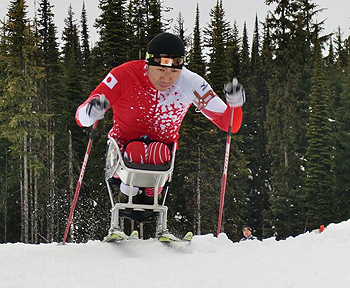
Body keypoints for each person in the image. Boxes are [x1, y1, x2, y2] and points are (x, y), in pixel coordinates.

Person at [75, 32, 245, 238]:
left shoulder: (190, 82)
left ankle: (152, 204)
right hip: (122, 152)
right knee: (135, 151)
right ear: (148, 63)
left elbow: (229, 125)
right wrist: (91, 111)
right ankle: (124, 203)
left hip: (161, 158)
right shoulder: (123, 75)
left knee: (159, 152)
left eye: (173, 72)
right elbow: (82, 117)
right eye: (160, 70)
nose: (166, 79)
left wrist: (235, 105)